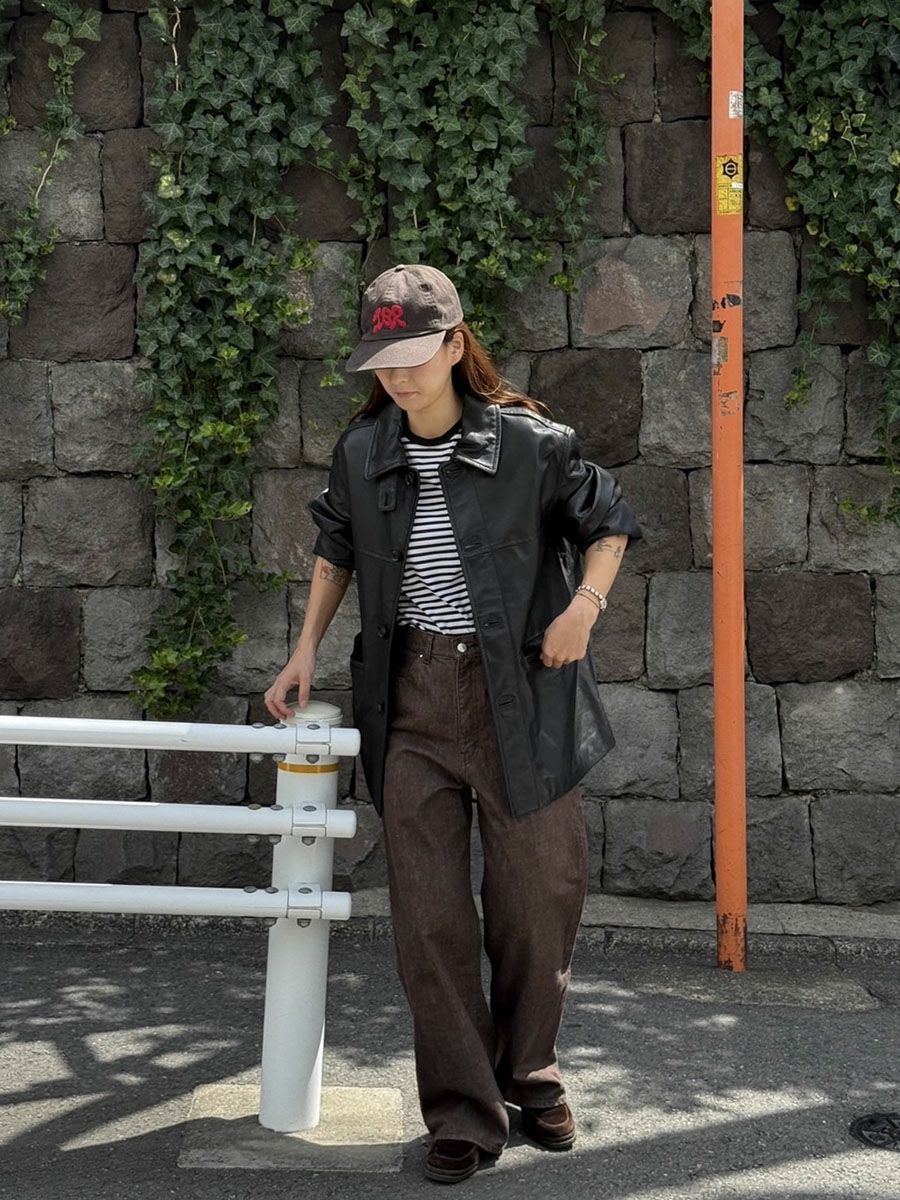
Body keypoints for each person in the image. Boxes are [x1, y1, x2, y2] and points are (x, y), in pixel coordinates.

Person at [264, 263, 641, 1183]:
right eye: (381, 360)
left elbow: (611, 522)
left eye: (413, 354)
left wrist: (584, 607)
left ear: (455, 344)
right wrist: (305, 649)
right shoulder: (363, 451)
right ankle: (465, 1110)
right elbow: (335, 547)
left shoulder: (533, 444)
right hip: (413, 700)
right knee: (429, 922)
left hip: (523, 694)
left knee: (538, 904)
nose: (397, 375)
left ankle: (531, 1074)